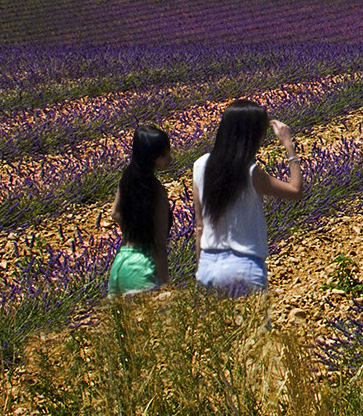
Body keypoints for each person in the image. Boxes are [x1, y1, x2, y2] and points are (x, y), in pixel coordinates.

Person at [189, 99, 305, 296]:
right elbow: (296, 191)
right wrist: (289, 146)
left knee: (216, 327)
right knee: (252, 327)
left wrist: (200, 273)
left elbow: (200, 226)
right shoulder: (250, 173)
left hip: (209, 266)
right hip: (243, 268)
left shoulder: (200, 165)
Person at [107, 125, 175, 296]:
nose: (170, 156)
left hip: (121, 263)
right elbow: (159, 245)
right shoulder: (157, 190)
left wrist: (132, 228)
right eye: (167, 151)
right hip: (142, 266)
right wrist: (165, 284)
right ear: (156, 157)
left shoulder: (127, 179)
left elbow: (115, 213)